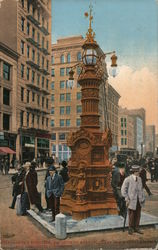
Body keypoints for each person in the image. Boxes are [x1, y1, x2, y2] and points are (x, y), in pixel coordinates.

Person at [121, 165, 145, 235]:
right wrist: (126, 198)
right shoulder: (128, 179)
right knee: (131, 214)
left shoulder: (139, 179)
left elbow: (141, 189)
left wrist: (142, 197)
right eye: (138, 171)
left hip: (139, 200)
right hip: (131, 200)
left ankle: (136, 227)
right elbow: (123, 190)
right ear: (134, 172)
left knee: (138, 214)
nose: (139, 173)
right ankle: (130, 228)